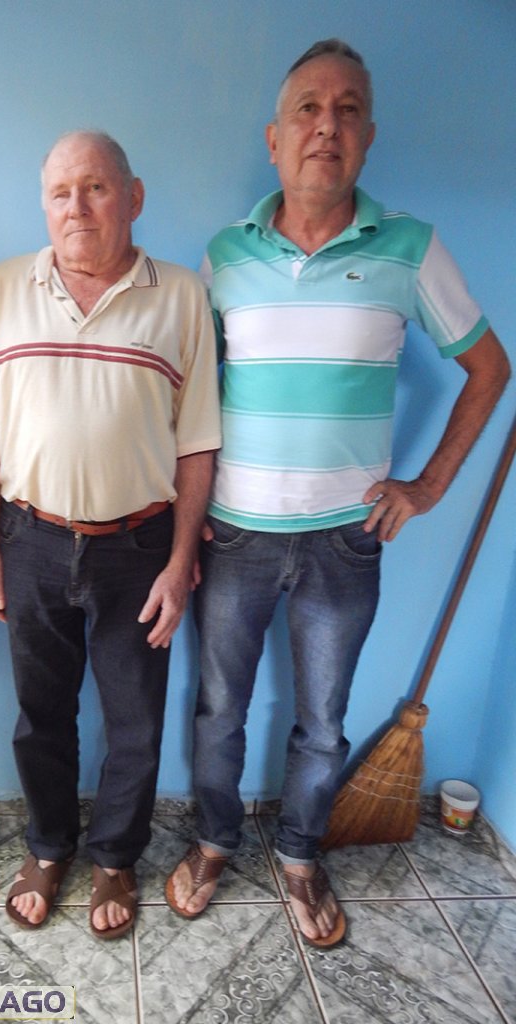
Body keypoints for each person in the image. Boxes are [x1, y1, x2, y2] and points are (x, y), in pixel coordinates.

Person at [165, 40, 510, 947]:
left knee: (322, 723)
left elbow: (488, 367)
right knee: (219, 709)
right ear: (275, 139)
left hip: (343, 543)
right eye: (310, 110)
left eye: (348, 109)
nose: (329, 125)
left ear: (368, 137)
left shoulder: (410, 248)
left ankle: (300, 857)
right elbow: (191, 392)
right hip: (233, 536)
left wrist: (428, 485)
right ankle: (211, 840)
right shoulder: (224, 256)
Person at [0, 130, 221, 939]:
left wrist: (182, 562)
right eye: (59, 192)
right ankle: (50, 846)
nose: (76, 207)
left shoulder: (181, 294)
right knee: (40, 713)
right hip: (32, 540)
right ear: (43, 204)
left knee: (134, 720)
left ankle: (116, 855)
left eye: (97, 188)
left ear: (134, 197)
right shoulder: (4, 287)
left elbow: (197, 441)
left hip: (139, 548)